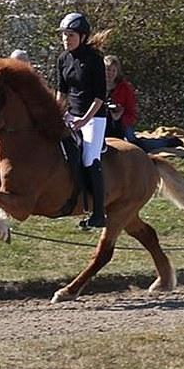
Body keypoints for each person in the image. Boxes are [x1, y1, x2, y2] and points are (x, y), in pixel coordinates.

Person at [55, 12, 107, 229]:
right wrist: (57, 114)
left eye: (71, 35)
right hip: (71, 114)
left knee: (88, 158)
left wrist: (85, 120)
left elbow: (100, 97)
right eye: (64, 35)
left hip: (94, 117)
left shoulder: (94, 59)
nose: (66, 39)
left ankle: (98, 213)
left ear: (83, 36)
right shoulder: (62, 59)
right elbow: (62, 92)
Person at [104, 55, 138, 141]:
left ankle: (167, 142)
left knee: (134, 144)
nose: (110, 73)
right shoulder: (95, 86)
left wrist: (120, 116)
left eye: (113, 71)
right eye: (108, 70)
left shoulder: (125, 88)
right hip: (102, 122)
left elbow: (132, 111)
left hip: (121, 123)